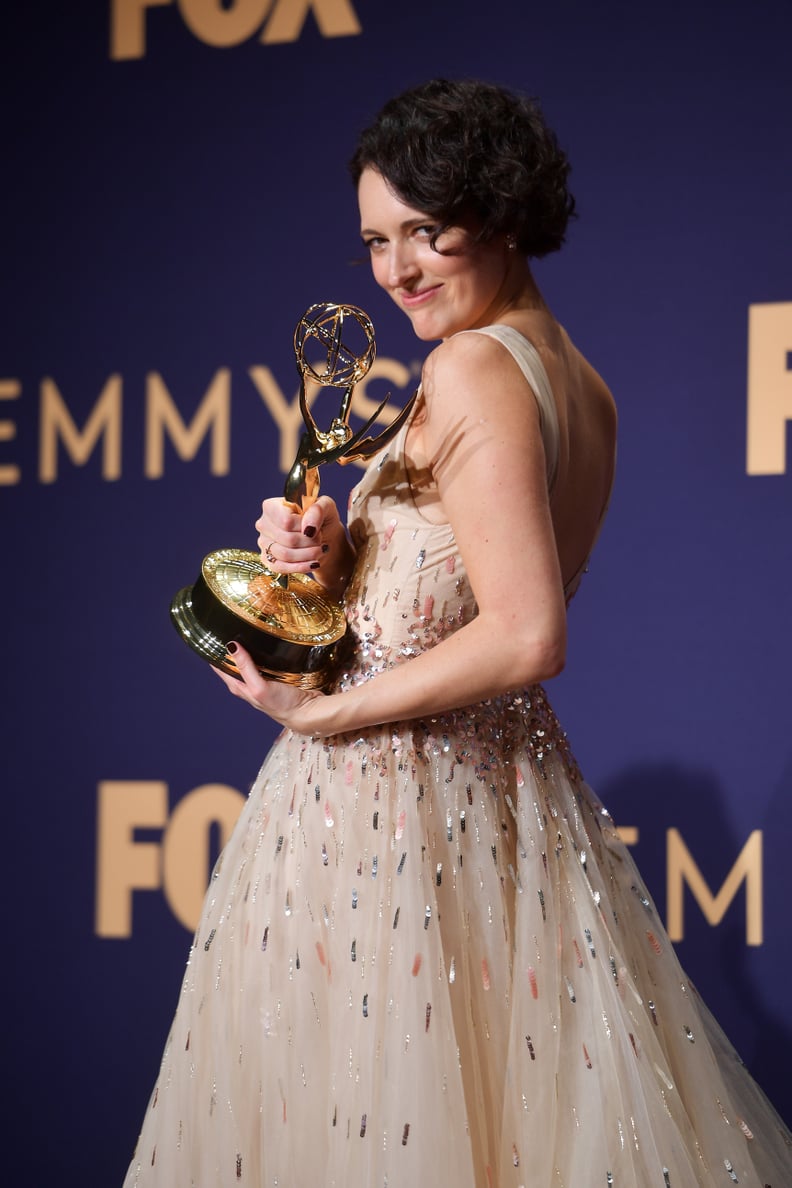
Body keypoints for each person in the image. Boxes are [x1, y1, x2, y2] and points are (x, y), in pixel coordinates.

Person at [124, 79, 791, 1186]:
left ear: (504, 210)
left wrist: (326, 708)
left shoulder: (472, 368)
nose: (397, 270)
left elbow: (527, 634)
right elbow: (456, 595)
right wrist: (341, 561)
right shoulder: (583, 382)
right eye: (376, 242)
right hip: (500, 814)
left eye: (427, 230)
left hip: (393, 818)